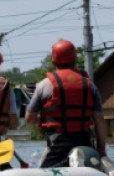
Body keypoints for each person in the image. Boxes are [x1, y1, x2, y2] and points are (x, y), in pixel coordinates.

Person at [24, 39, 108, 168]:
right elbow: (99, 120)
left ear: (53, 60)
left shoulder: (44, 85)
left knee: (44, 175)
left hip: (57, 143)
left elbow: (29, 119)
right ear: (74, 59)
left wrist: (43, 121)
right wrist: (101, 150)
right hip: (84, 144)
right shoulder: (90, 85)